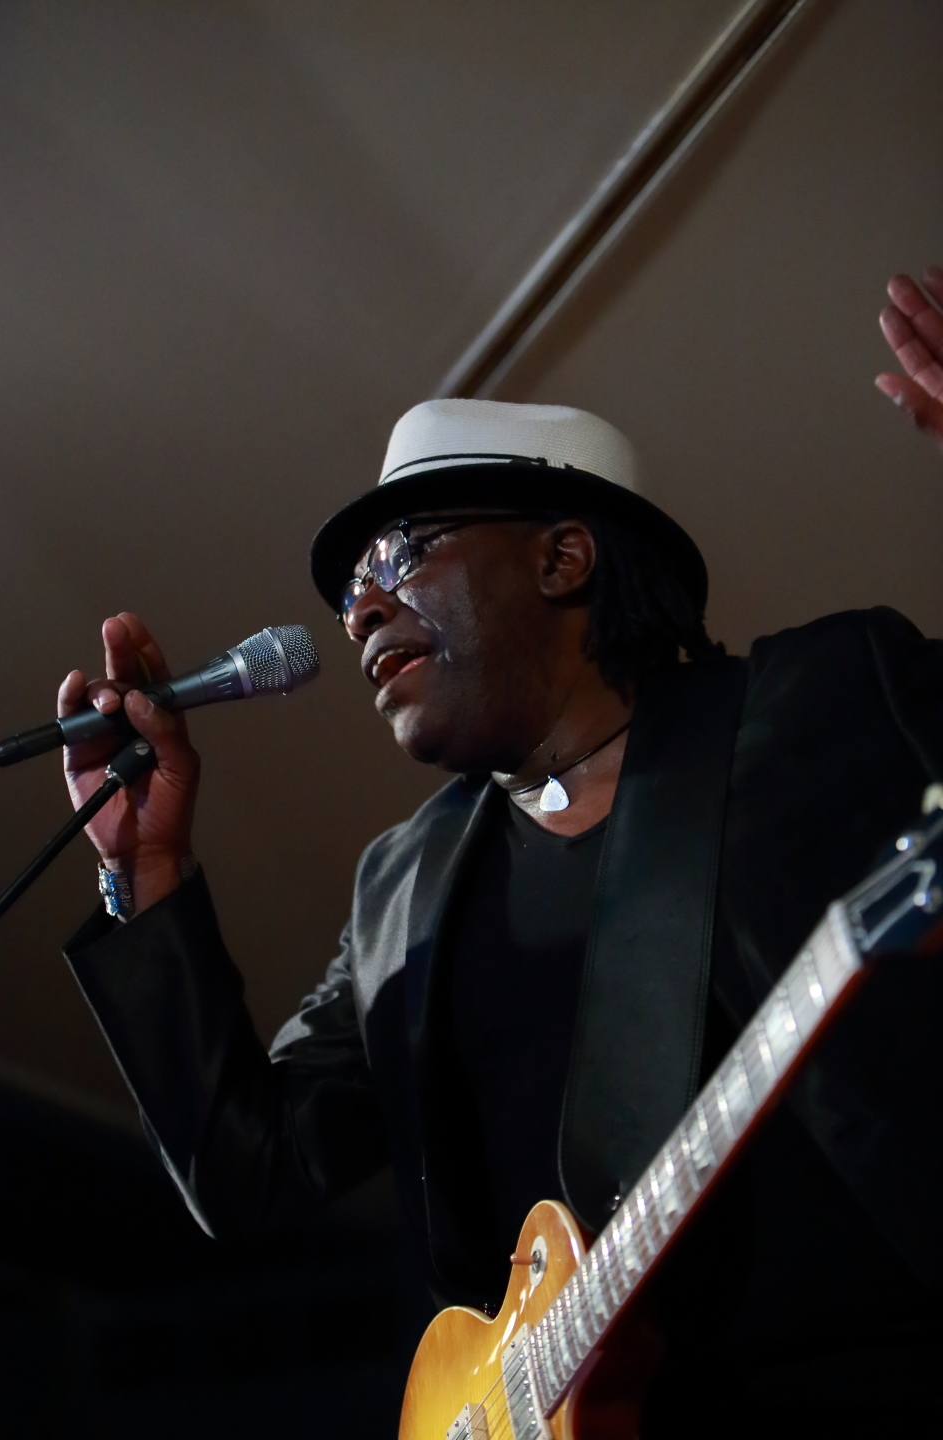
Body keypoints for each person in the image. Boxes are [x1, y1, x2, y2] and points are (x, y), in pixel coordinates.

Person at [59, 267, 943, 1435]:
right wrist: (145, 874)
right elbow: (248, 1170)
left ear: (563, 557)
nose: (361, 608)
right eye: (350, 594)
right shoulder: (404, 888)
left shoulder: (826, 700)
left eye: (402, 554)